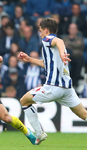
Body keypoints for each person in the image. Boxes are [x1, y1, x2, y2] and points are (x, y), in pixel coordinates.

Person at [17, 17, 87, 145]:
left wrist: (61, 53)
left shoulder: (48, 40)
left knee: (24, 101)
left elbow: (59, 41)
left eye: (40, 30)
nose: (40, 33)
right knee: (84, 115)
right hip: (67, 89)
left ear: (46, 30)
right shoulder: (55, 48)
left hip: (53, 87)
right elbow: (48, 64)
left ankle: (39, 133)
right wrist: (29, 59)